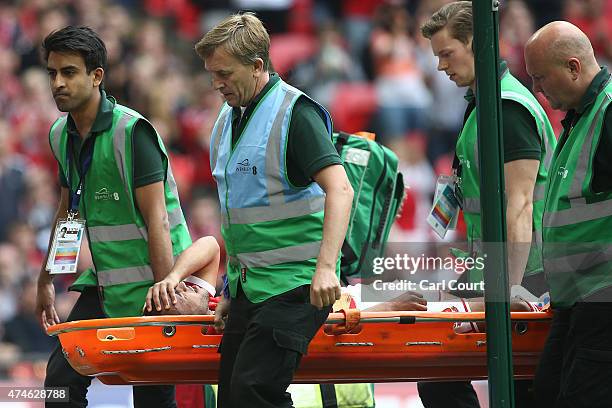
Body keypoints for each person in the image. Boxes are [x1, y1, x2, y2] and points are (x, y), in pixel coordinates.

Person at [194, 12, 354, 408]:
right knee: (232, 397)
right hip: (252, 288)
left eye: (224, 74)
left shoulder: (294, 115)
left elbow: (341, 188)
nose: (217, 84)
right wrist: (232, 287)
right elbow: (241, 214)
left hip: (297, 286)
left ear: (257, 66)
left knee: (253, 393)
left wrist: (327, 268)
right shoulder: (228, 119)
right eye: (212, 74)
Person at [36, 26, 192, 407]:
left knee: (152, 395)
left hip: (158, 287)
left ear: (96, 76)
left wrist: (166, 293)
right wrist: (47, 280)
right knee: (59, 382)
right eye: (52, 73)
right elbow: (69, 216)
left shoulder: (132, 131)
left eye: (69, 72)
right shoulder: (61, 134)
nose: (58, 83)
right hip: (106, 285)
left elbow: (157, 221)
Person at [418, 2, 557, 407]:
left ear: (476, 44)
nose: (441, 66)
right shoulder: (482, 105)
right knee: (439, 368)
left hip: (528, 275)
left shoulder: (506, 109)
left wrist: (511, 288)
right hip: (494, 267)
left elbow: (520, 205)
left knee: (512, 388)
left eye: (447, 53)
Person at [524, 21, 612, 407]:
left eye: (541, 78)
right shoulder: (580, 117)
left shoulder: (607, 115)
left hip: (603, 300)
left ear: (574, 68)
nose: (537, 89)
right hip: (575, 301)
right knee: (546, 394)